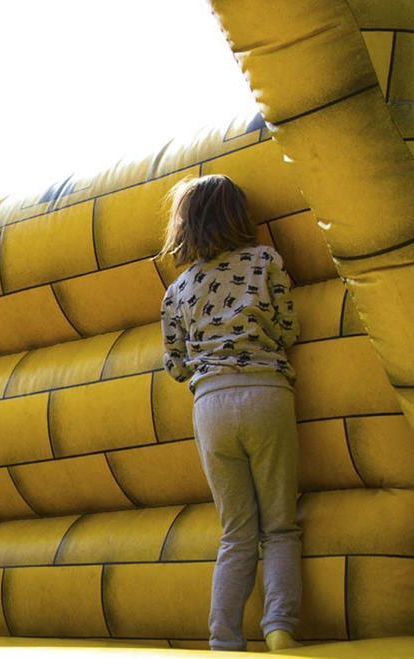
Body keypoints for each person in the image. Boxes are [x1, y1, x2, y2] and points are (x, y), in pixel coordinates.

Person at [159, 175, 301, 652]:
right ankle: (279, 626)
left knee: (236, 532)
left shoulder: (177, 290)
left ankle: (224, 639)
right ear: (240, 216)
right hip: (265, 392)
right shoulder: (265, 261)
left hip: (211, 405)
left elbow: (176, 366)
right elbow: (287, 327)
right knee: (279, 524)